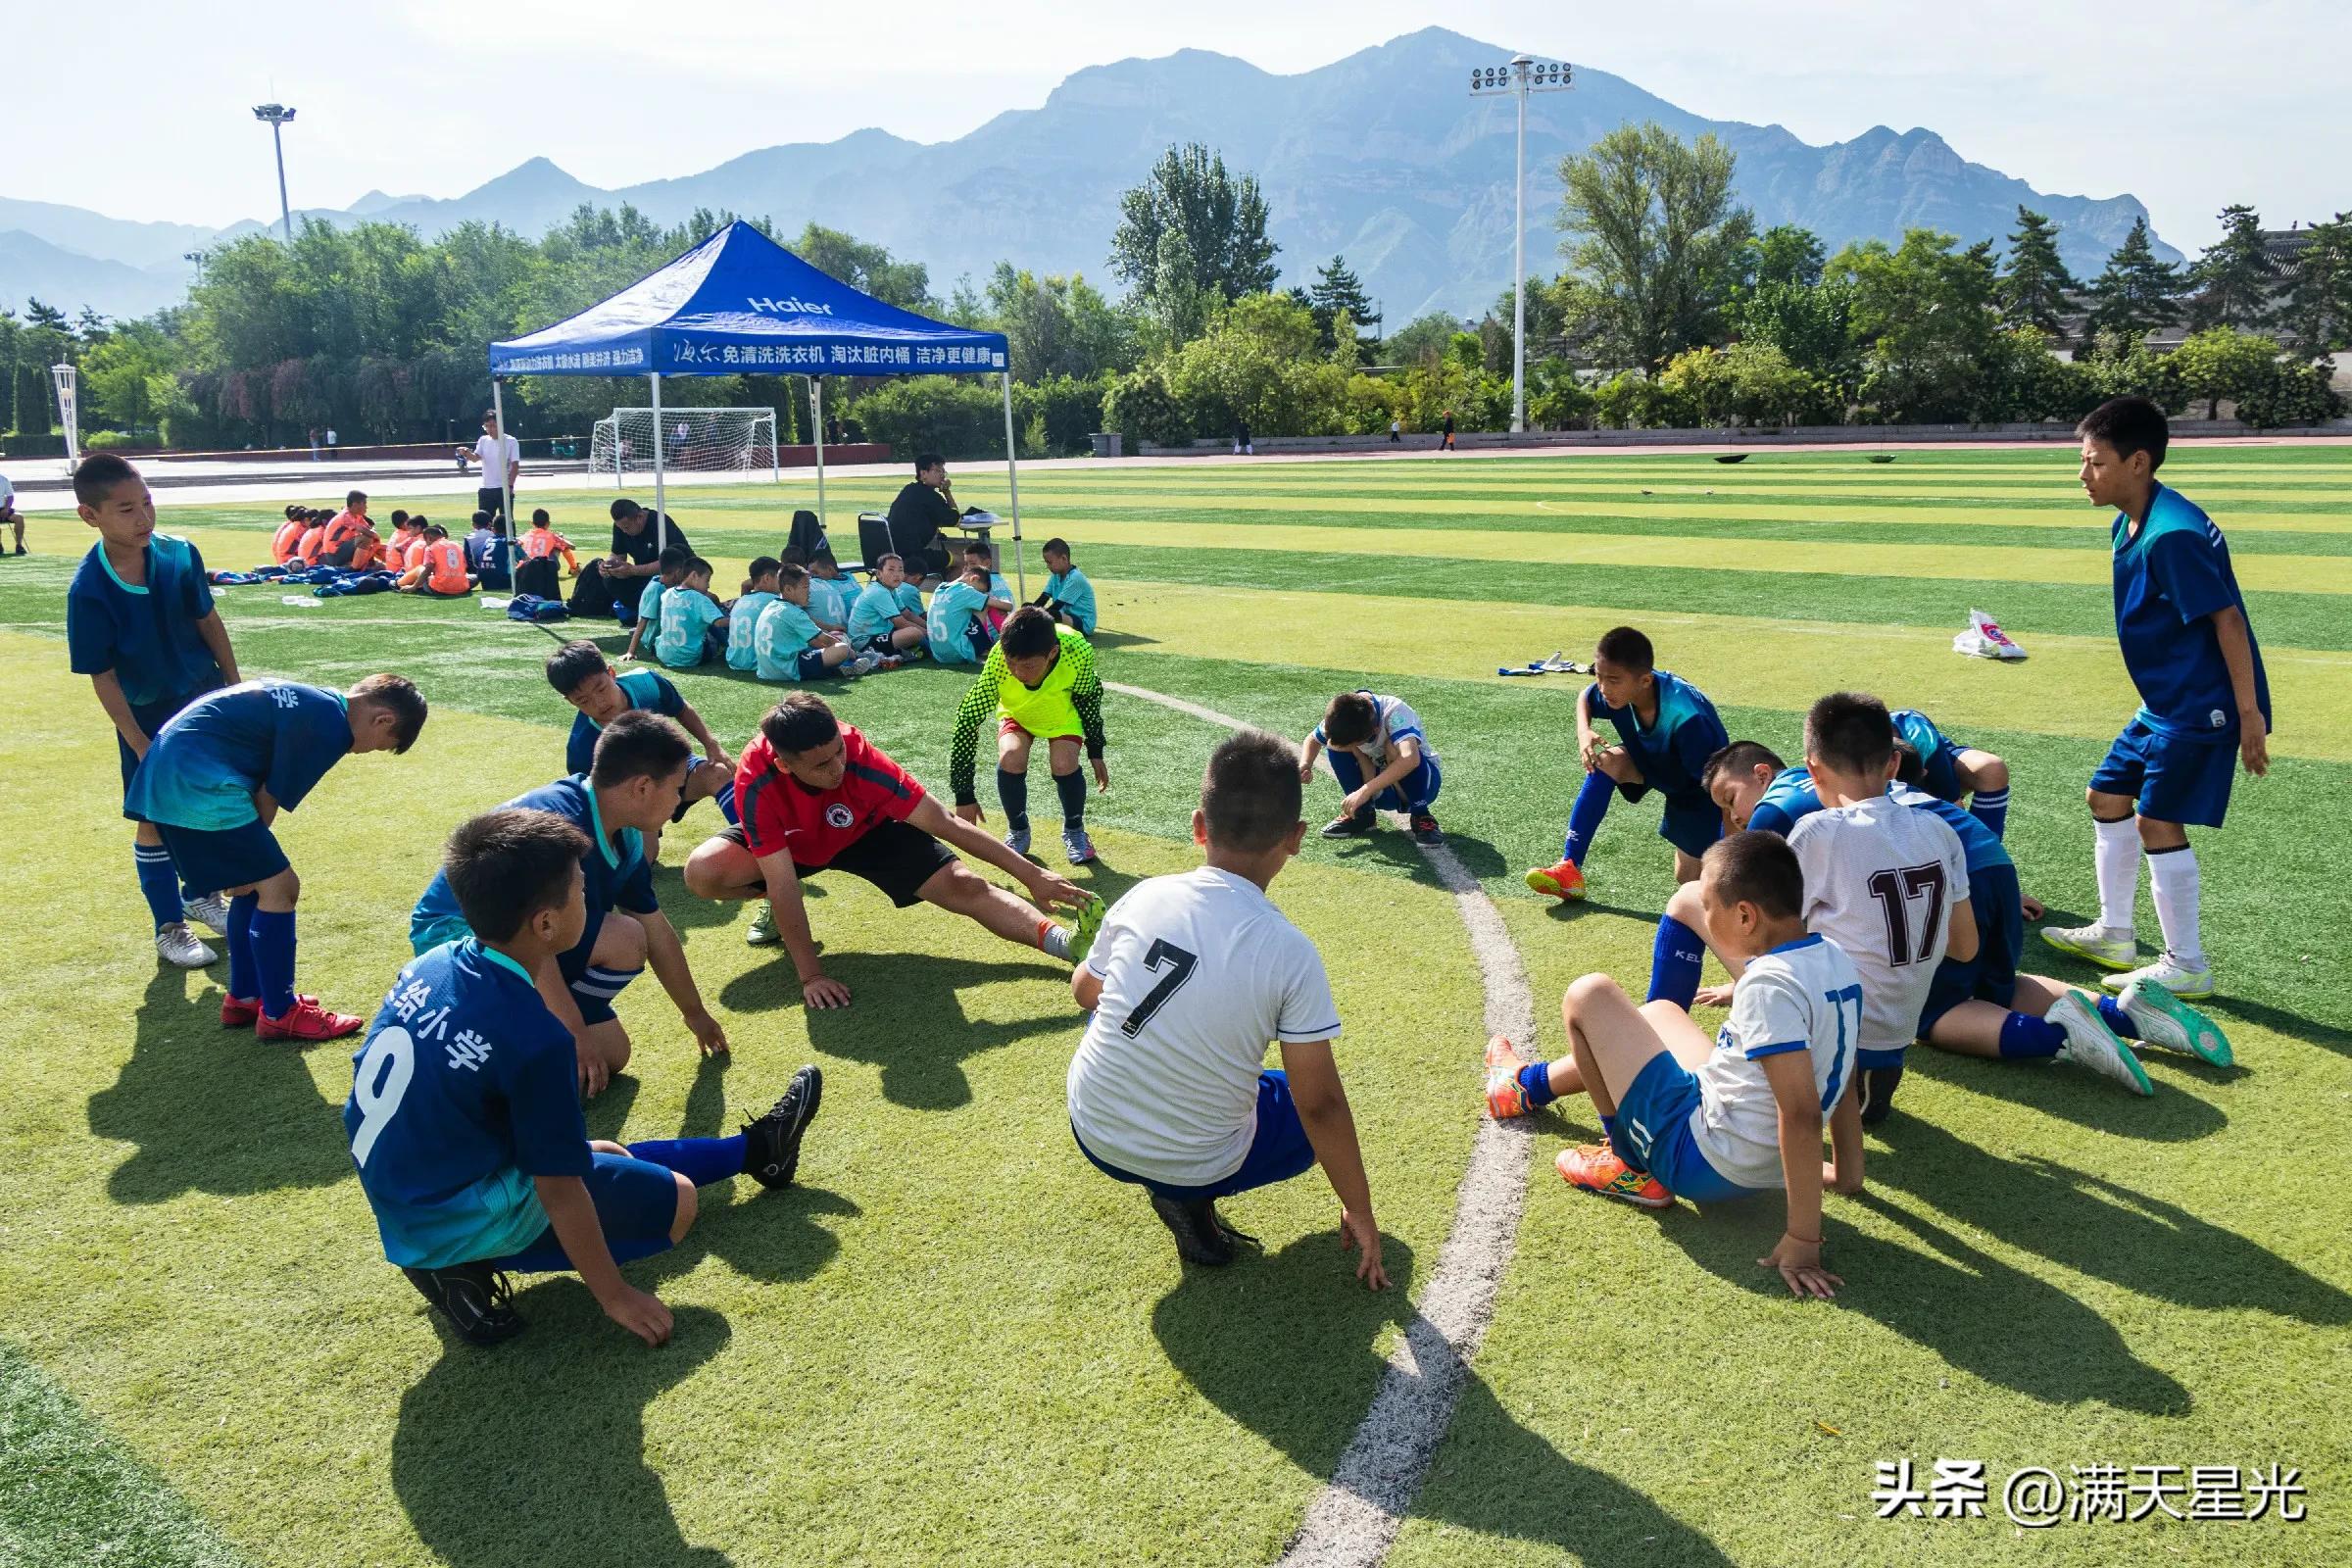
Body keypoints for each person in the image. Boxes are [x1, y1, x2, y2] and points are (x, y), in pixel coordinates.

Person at [352, 807, 823, 1348]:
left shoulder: (431, 963)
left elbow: (447, 1098)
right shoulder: (536, 1036)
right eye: (580, 891)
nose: (589, 899)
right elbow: (559, 1188)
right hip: (449, 1213)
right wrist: (616, 1295)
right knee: (679, 1205)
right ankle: (460, 1262)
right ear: (546, 923)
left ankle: (762, 1148)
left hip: (403, 1192)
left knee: (597, 1155)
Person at [1703, 739, 2221, 1096]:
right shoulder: (1831, 781)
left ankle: (2064, 1038)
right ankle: (2127, 1012)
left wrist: (1754, 978)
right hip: (1983, 859)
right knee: (1995, 986)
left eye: (1730, 801)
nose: (1736, 818)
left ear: (1764, 774)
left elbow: (1773, 911)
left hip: (1941, 870)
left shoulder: (1775, 809)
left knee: (1928, 1012)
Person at [1068, 730, 1386, 1284]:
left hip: (1092, 1127)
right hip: (1197, 1159)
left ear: (1198, 827)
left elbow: (1084, 992)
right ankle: (1186, 1192)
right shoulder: (1289, 951)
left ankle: (1177, 1186)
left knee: (1122, 1022)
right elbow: (1321, 1107)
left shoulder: (1143, 895)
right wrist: (1359, 1207)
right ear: (1295, 839)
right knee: (1290, 1100)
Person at [1485, 832, 1862, 1297]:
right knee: (1662, 1012)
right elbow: (1843, 1066)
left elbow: (1801, 1112)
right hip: (1760, 1160)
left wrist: (1803, 1237)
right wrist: (1847, 1172)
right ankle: (1524, 1085)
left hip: (1708, 1162)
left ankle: (1627, 1164)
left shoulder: (1768, 985)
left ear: (1745, 916)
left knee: (1588, 994)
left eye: (1708, 907)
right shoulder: (1835, 958)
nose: (1702, 916)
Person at [2043, 396, 2270, 999]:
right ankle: (2117, 932)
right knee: (2107, 795)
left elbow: (2228, 621)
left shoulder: (2172, 536)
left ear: (2138, 462)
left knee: (2156, 819)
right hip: (2165, 701)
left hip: (2201, 703)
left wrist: (2248, 715)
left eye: (2094, 462)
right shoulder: (2133, 519)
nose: (2083, 475)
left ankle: (2187, 964)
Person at [681, 693, 1102, 998]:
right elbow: (784, 882)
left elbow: (944, 823)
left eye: (838, 753)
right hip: (794, 849)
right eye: (822, 765)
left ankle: (1063, 944)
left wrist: (1032, 875)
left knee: (966, 886)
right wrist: (811, 977)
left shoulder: (859, 758)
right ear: (784, 765)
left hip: (867, 833)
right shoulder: (755, 783)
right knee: (704, 871)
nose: (837, 768)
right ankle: (773, 911)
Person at [410, 712, 731, 1097]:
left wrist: (694, 1013)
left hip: (525, 941)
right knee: (620, 939)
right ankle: (509, 1044)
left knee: (614, 1053)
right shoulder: (557, 823)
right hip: (460, 938)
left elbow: (655, 927)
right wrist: (574, 1032)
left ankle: (536, 1029)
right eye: (678, 788)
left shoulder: (625, 835)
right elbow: (527, 936)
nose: (680, 800)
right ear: (643, 787)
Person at [125, 674, 428, 1041]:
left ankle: (244, 998)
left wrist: (248, 867)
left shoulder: (318, 702)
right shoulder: (331, 728)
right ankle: (280, 1012)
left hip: (167, 774)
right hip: (197, 783)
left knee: (256, 886)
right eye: (380, 745)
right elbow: (267, 798)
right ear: (383, 720)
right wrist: (249, 861)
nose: (364, 752)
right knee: (281, 887)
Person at [68, 452, 242, 968]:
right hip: (148, 717)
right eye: (125, 509)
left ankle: (203, 894)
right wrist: (140, 742)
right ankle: (170, 926)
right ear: (90, 515)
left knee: (212, 801)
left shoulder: (180, 554)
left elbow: (208, 622)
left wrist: (234, 689)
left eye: (147, 502)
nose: (144, 517)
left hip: (205, 701)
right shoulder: (89, 591)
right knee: (155, 817)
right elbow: (104, 675)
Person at [1526, 625, 1728, 902]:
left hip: (1697, 788)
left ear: (1645, 681)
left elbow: (1717, 787)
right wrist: (1583, 730)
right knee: (1607, 761)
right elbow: (1585, 697)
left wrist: (1732, 841)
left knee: (1689, 879)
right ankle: (1569, 869)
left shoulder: (1687, 719)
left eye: (1613, 680)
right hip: (1652, 760)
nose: (1604, 688)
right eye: (1599, 676)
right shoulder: (1618, 690)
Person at [948, 609, 1110, 866]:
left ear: (1052, 653)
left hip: (1059, 712)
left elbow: (1088, 696)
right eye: (1011, 662)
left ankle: (1075, 831)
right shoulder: (998, 662)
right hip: (1017, 711)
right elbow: (967, 719)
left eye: (1028, 666)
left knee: (1064, 763)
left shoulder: (1075, 650)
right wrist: (964, 794)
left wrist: (1095, 748)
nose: (1016, 672)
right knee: (1011, 756)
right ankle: (1018, 830)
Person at [544, 641, 735, 821]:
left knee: (718, 774)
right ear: (569, 701)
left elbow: (681, 708)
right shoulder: (581, 747)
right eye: (583, 701)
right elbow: (596, 803)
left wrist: (711, 744)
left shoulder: (646, 683)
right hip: (634, 799)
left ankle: (756, 844)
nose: (599, 703)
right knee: (647, 853)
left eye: (601, 689)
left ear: (611, 673)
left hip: (672, 767)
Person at [1298, 689, 1443, 845]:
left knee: (1393, 749)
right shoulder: (1343, 714)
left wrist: (1364, 791)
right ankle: (1363, 814)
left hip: (1425, 785)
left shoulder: (1395, 712)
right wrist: (1305, 764)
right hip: (1381, 786)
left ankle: (1422, 815)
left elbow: (1410, 758)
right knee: (1335, 744)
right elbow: (1313, 739)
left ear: (1375, 730)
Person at [1890, 708, 2013, 841]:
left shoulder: (1917, 732)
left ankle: (1986, 849)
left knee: (1991, 769)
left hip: (1926, 777)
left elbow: (1954, 808)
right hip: (1888, 790)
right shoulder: (1867, 748)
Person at [573, 498, 690, 623]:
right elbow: (617, 554)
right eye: (621, 528)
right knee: (611, 580)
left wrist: (633, 570)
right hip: (644, 576)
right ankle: (638, 611)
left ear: (639, 517)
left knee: (658, 584)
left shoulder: (660, 523)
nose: (624, 531)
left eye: (627, 527)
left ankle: (649, 613)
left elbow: (672, 564)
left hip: (672, 576)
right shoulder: (621, 527)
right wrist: (609, 566)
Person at [757, 564, 876, 681]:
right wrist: (850, 651)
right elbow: (825, 640)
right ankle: (844, 665)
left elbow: (814, 641)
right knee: (841, 648)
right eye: (805, 587)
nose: (809, 592)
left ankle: (841, 666)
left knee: (819, 647)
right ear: (788, 589)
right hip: (786, 670)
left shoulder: (771, 606)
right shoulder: (794, 613)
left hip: (766, 671)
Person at [885, 453, 961, 585]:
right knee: (961, 560)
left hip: (892, 554)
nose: (942, 475)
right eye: (937, 471)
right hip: (912, 556)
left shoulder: (909, 490)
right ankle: (951, 602)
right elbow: (955, 519)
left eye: (943, 471)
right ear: (923, 473)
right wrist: (947, 492)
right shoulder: (930, 496)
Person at [652, 557, 728, 670]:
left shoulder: (667, 594)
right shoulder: (699, 598)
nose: (708, 586)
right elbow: (719, 623)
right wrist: (739, 617)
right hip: (691, 658)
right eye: (707, 580)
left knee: (702, 618)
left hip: (664, 655)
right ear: (694, 576)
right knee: (713, 620)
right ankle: (729, 646)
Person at [848, 554, 929, 658]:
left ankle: (904, 651)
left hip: (879, 635)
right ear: (879, 574)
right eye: (891, 570)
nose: (897, 574)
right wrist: (930, 634)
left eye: (900, 570)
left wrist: (931, 628)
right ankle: (867, 655)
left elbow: (908, 614)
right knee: (914, 633)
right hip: (864, 642)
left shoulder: (890, 590)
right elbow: (901, 623)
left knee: (915, 633)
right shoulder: (879, 592)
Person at [621, 547, 692, 663]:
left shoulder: (664, 583)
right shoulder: (656, 589)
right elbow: (643, 621)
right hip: (654, 641)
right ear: (678, 572)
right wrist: (631, 651)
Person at [924, 563, 1000, 666]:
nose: (978, 593)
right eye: (979, 591)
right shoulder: (965, 590)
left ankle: (987, 647)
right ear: (974, 578)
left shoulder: (940, 588)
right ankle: (1005, 644)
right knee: (985, 602)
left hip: (939, 655)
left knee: (978, 603)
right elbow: (1007, 606)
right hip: (958, 654)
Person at [726, 558, 783, 673]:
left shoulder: (741, 600)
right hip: (757, 663)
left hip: (734, 661)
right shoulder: (774, 600)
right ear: (767, 578)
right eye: (779, 577)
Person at [1035, 538, 1097, 634]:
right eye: (1046, 562)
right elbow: (1043, 598)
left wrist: (1035, 616)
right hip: (1064, 616)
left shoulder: (1075, 578)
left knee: (1052, 614)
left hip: (1082, 623)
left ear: (1064, 558)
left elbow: (1057, 606)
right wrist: (1029, 611)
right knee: (1028, 607)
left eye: (1049, 562)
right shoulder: (1055, 575)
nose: (1048, 566)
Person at [474, 409, 520, 525]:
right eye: (487, 426)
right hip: (486, 488)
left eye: (493, 425)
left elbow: (515, 466)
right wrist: (465, 452)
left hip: (503, 487)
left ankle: (510, 542)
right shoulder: (483, 440)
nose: (490, 429)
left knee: (507, 522)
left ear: (500, 425)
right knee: (484, 523)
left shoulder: (511, 441)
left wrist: (510, 485)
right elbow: (475, 457)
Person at [401, 524, 472, 597]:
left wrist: (414, 587)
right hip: (462, 588)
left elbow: (428, 569)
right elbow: (464, 567)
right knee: (474, 577)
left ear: (429, 538)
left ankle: (398, 583)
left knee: (420, 569)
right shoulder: (457, 545)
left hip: (440, 589)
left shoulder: (431, 548)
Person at [519, 509, 579, 575]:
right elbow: (573, 546)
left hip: (526, 568)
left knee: (522, 547)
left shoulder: (526, 535)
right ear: (548, 523)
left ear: (532, 523)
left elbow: (516, 543)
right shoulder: (551, 536)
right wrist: (560, 538)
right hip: (546, 567)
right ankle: (574, 568)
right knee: (563, 546)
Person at [321, 490, 369, 566]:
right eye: (364, 503)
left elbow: (369, 529)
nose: (366, 507)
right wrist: (376, 536)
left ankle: (359, 564)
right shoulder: (345, 516)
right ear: (355, 505)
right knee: (365, 538)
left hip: (342, 550)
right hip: (333, 555)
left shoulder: (357, 515)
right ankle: (354, 568)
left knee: (371, 542)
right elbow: (365, 532)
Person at [1, 469, 23, 554]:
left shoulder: (3, 480)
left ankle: (19, 546)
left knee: (19, 517)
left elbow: (10, 497)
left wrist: (6, 508)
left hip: (4, 509)